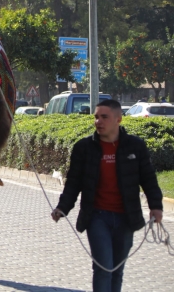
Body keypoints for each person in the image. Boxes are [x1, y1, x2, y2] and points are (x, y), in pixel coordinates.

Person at [52, 99, 163, 292]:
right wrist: (62, 208)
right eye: (96, 117)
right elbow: (73, 183)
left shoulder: (135, 146)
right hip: (96, 217)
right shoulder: (84, 148)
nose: (98, 122)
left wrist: (156, 206)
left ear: (118, 119)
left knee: (117, 270)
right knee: (103, 267)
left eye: (104, 117)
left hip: (126, 217)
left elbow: (149, 179)